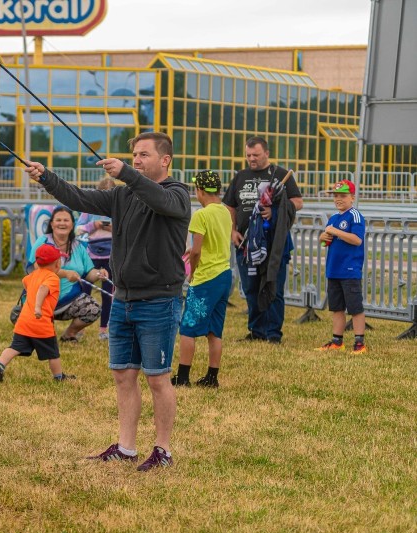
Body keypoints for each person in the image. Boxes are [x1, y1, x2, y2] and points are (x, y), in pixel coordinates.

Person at [25, 132, 190, 471]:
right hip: (125, 298)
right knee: (122, 375)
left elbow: (160, 201)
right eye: (134, 154)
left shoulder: (177, 194)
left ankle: (163, 451)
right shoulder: (122, 196)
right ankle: (126, 448)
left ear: (165, 160)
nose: (137, 159)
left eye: (143, 154)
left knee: (157, 377)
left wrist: (126, 172)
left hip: (159, 300)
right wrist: (47, 178)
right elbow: (80, 198)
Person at [224, 136, 303, 344]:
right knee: (250, 288)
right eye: (248, 155)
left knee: (273, 288)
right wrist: (232, 231)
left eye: (256, 155)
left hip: (273, 243)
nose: (252, 159)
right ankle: (256, 331)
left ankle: (273, 334)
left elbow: (297, 201)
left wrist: (274, 211)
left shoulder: (281, 174)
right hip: (245, 243)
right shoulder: (240, 176)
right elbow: (230, 206)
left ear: (266, 153)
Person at [172, 170, 233, 388]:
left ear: (200, 190)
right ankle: (212, 376)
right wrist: (196, 249)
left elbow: (196, 252)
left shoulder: (201, 214)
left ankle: (183, 376)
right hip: (224, 274)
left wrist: (192, 271)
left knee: (188, 328)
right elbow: (213, 241)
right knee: (214, 330)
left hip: (206, 277)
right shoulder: (225, 211)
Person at [0, 244, 75, 383]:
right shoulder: (52, 278)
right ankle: (59, 377)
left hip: (24, 322)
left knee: (14, 347)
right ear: (57, 264)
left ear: (37, 263)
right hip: (40, 322)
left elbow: (25, 282)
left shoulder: (31, 276)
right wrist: (38, 308)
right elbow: (43, 288)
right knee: (53, 353)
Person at [29, 205, 107, 343]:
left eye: (66, 220)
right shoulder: (43, 241)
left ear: (72, 225)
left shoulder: (79, 246)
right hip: (42, 300)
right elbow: (35, 268)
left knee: (93, 309)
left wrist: (99, 273)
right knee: (21, 321)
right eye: (58, 220)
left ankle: (69, 334)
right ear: (52, 224)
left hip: (70, 300)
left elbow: (89, 273)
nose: (62, 223)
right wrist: (64, 273)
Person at [315, 180, 367, 355]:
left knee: (355, 307)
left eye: (343, 196)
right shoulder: (334, 218)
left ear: (352, 197)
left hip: (349, 270)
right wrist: (323, 237)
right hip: (334, 269)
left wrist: (335, 232)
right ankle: (337, 340)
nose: (338, 199)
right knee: (336, 307)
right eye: (336, 196)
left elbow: (357, 240)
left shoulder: (355, 215)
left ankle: (360, 342)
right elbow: (326, 242)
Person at [76, 177, 115, 340]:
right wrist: (95, 225)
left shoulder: (118, 209)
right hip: (92, 257)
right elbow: (78, 229)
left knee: (107, 294)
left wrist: (112, 227)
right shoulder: (89, 210)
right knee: (85, 293)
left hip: (111, 258)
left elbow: (127, 229)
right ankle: (79, 327)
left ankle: (103, 329)